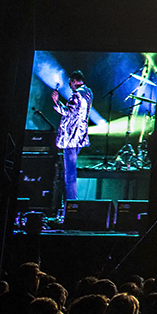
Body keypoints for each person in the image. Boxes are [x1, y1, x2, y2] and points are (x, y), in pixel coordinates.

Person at [51, 70, 94, 211]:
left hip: (71, 138)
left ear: (75, 81)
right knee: (70, 172)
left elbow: (68, 112)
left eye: (70, 83)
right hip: (80, 137)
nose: (70, 86)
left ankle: (70, 206)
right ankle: (70, 205)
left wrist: (56, 102)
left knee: (69, 175)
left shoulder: (77, 94)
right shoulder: (88, 92)